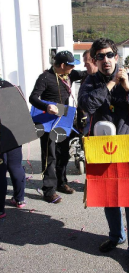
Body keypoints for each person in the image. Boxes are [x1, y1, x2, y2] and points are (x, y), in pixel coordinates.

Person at [78, 38, 129, 273]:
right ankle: (116, 236)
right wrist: (111, 84)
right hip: (101, 149)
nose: (105, 60)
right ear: (93, 60)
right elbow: (87, 106)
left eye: (109, 55)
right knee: (109, 198)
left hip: (128, 147)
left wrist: (128, 88)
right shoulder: (90, 82)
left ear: (116, 56)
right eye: (99, 56)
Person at [29, 50, 87, 204]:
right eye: (70, 65)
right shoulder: (45, 78)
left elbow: (86, 73)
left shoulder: (70, 75)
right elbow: (33, 97)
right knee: (50, 156)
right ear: (62, 65)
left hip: (64, 120)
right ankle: (48, 191)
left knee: (63, 154)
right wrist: (46, 107)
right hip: (48, 121)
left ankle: (61, 183)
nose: (72, 68)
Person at [0, 79, 26, 219]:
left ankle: (0, 209)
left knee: (0, 172)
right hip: (15, 132)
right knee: (16, 166)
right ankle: (20, 199)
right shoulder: (12, 86)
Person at [76, 49, 98, 134]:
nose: (85, 66)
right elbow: (80, 102)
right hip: (87, 123)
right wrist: (79, 121)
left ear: (95, 62)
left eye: (87, 63)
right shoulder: (86, 78)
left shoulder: (108, 80)